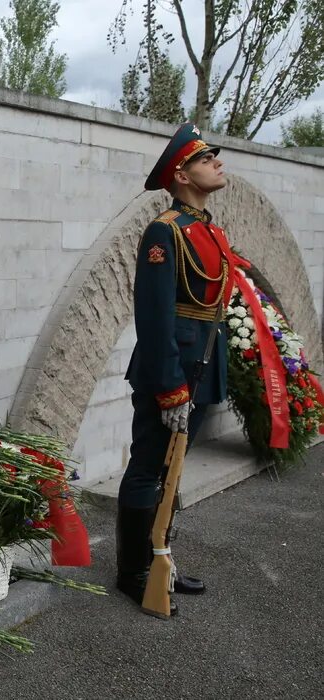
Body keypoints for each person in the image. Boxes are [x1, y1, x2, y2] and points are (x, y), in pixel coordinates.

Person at [118, 123, 246, 614]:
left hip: (200, 361)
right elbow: (154, 318)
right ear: (182, 173)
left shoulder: (208, 228)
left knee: (173, 468)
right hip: (169, 370)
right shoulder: (164, 230)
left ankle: (160, 557)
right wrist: (170, 388)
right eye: (206, 157)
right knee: (148, 466)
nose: (217, 161)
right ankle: (134, 571)